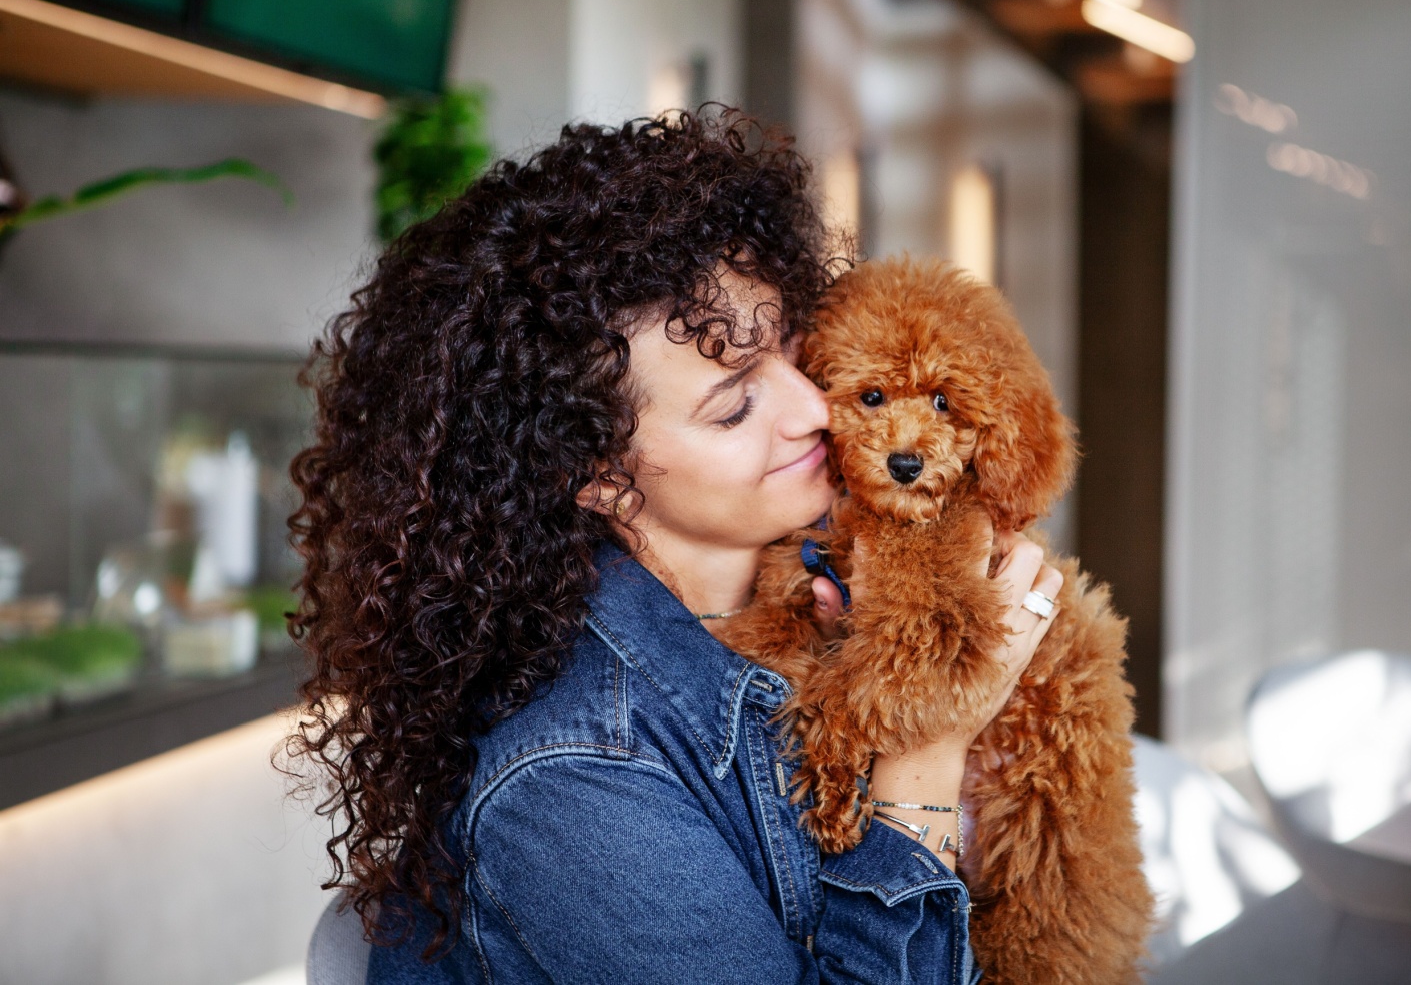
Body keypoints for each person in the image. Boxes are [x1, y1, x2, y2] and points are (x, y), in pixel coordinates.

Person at [288, 110, 1063, 984]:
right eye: (734, 405)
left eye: (792, 353)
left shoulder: (823, 583)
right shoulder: (575, 777)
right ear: (598, 476)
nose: (812, 409)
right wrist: (925, 752)